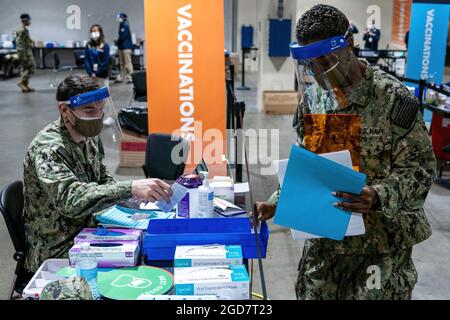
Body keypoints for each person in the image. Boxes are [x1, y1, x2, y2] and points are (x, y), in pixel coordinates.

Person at [256, 4, 436, 300]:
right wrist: (278, 201)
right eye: (309, 65)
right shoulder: (313, 100)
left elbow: (420, 169)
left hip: (379, 249)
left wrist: (378, 195)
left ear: (349, 45)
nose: (317, 73)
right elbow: (308, 164)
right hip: (324, 242)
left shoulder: (391, 99)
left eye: (324, 62)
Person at [23, 74, 173, 273]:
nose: (97, 116)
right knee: (138, 266)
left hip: (89, 229)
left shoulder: (88, 138)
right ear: (65, 110)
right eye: (89, 110)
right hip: (58, 247)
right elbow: (70, 201)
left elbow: (101, 178)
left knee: (151, 245)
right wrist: (129, 188)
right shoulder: (49, 148)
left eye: (100, 109)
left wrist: (132, 198)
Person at [15, 13, 35, 93]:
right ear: (25, 20)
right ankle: (21, 82)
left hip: (27, 52)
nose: (30, 22)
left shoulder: (25, 29)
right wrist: (23, 55)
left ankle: (25, 85)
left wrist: (30, 40)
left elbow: (24, 40)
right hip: (24, 53)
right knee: (32, 67)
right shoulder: (21, 30)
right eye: (29, 20)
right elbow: (19, 43)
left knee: (25, 69)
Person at [116, 13, 134, 84]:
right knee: (122, 64)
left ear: (124, 18)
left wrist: (117, 41)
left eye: (119, 17)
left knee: (128, 63)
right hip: (121, 47)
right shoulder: (121, 25)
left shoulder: (125, 25)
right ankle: (121, 77)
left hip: (126, 48)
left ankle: (131, 78)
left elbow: (122, 36)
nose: (118, 19)